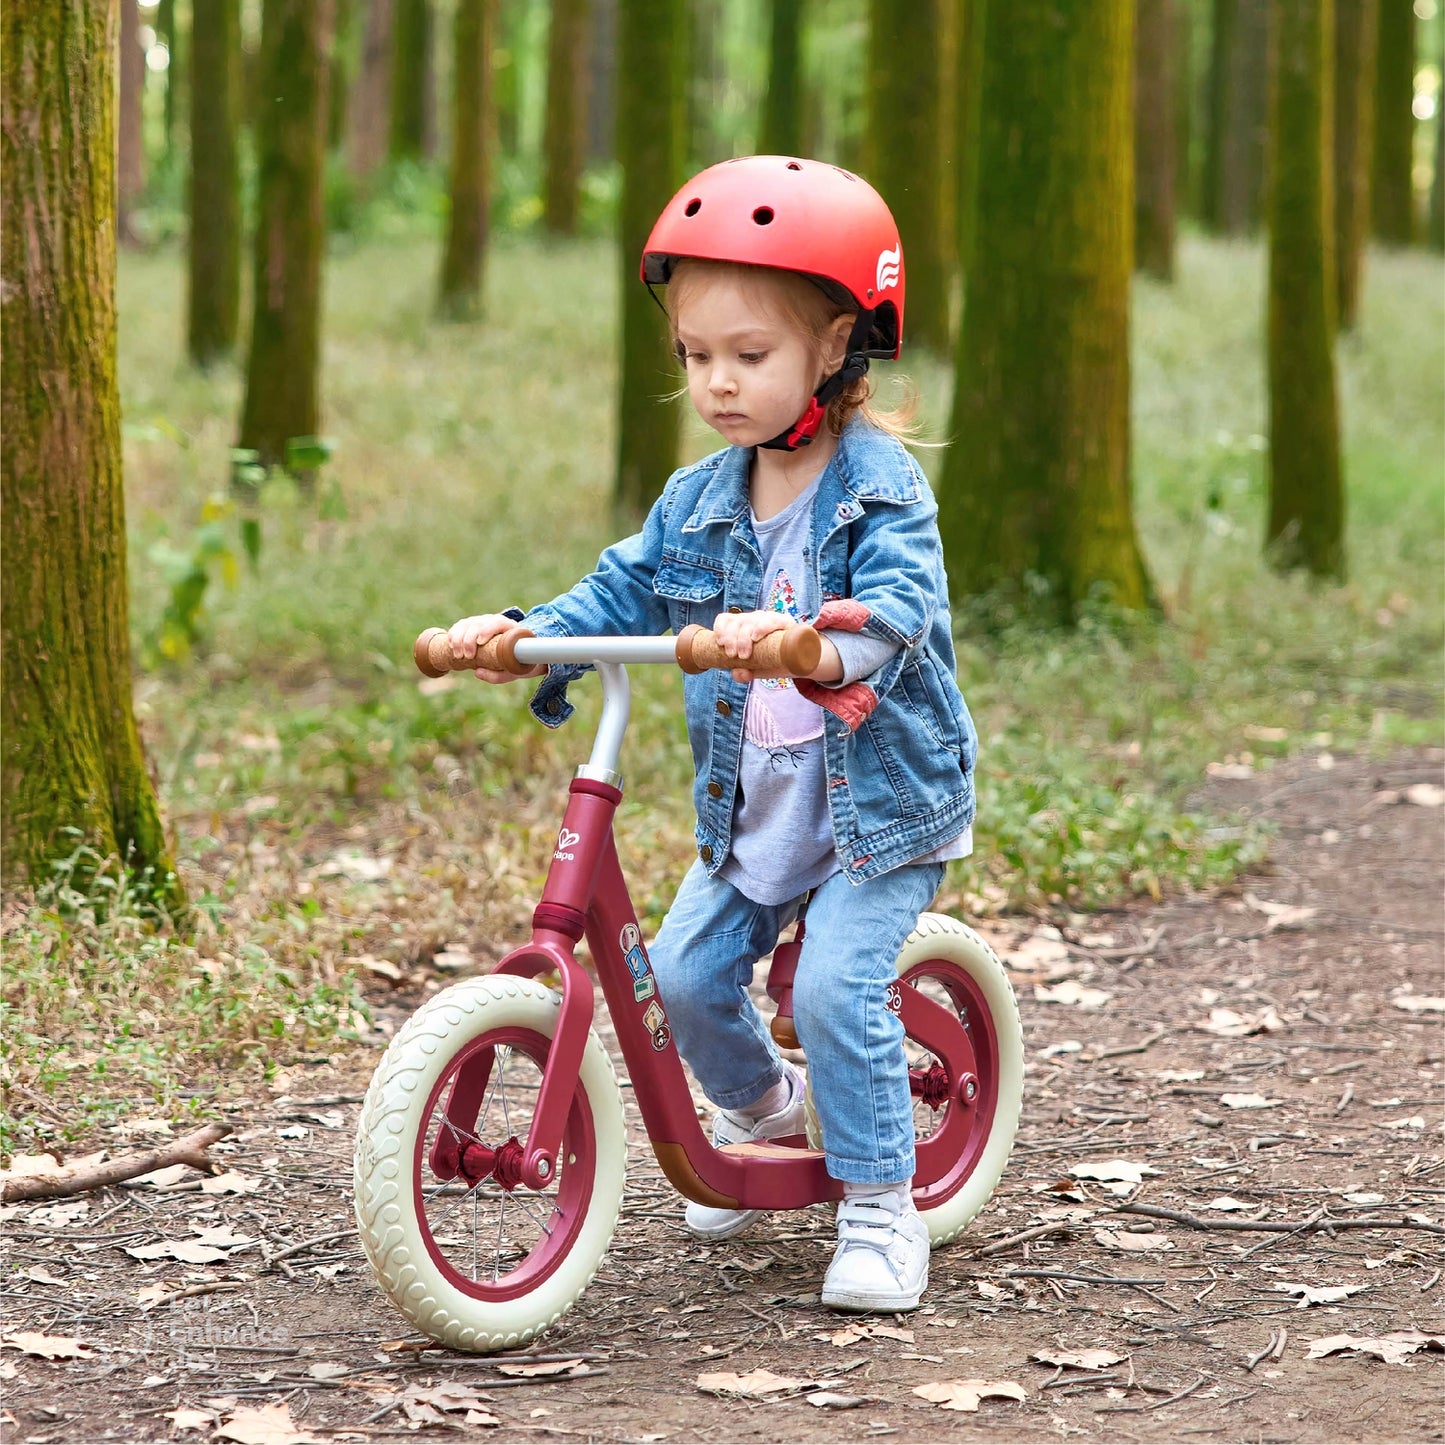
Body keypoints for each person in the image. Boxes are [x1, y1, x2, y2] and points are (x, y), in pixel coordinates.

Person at [446, 156, 977, 1313]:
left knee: (837, 988)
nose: (717, 383)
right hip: (754, 809)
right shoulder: (695, 500)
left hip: (872, 810)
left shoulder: (879, 490)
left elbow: (895, 612)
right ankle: (765, 1111)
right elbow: (622, 589)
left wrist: (806, 643)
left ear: (835, 345)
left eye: (748, 355)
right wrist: (524, 631)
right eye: (694, 356)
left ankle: (883, 1199)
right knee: (683, 973)